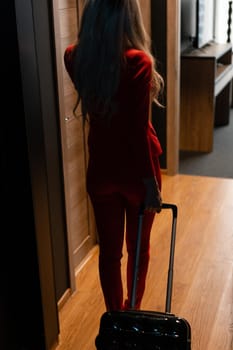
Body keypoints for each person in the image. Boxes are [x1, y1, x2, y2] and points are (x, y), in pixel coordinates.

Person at [64, 0, 164, 311]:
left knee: (109, 253)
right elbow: (135, 132)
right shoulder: (138, 63)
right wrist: (149, 184)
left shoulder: (74, 57)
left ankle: (115, 320)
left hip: (101, 172)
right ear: (130, 17)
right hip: (137, 173)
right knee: (138, 250)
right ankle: (132, 314)